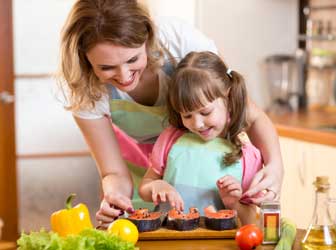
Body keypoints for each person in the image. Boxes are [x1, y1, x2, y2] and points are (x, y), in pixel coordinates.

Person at [58, 0, 283, 228]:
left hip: (209, 168)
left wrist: (275, 166)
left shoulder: (178, 42)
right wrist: (115, 198)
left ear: (147, 38)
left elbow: (250, 115)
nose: (124, 76)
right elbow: (113, 172)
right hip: (146, 178)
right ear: (85, 60)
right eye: (106, 68)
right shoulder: (85, 90)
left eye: (133, 59)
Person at [139, 51, 264, 225]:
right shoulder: (171, 138)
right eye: (187, 115)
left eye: (205, 112)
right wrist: (154, 186)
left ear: (227, 96)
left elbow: (253, 221)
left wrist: (234, 203)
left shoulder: (248, 157)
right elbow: (145, 185)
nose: (197, 124)